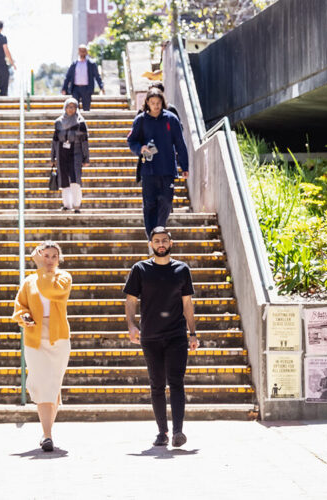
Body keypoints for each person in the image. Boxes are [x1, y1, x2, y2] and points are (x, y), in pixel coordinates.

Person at [124, 227, 199, 448]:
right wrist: (131, 325)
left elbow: (187, 303)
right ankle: (162, 432)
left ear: (171, 243)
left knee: (176, 382)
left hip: (176, 335)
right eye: (156, 241)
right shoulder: (140, 269)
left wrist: (192, 332)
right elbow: (130, 300)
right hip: (150, 336)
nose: (161, 244)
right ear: (151, 244)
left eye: (164, 240)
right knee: (157, 384)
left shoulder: (182, 269)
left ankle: (178, 431)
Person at [12, 241, 72, 453]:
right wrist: (24, 317)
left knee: (53, 384)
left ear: (59, 259)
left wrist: (39, 267)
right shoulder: (29, 281)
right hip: (35, 336)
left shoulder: (63, 278)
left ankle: (47, 432)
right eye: (45, 256)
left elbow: (51, 291)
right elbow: (20, 306)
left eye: (53, 256)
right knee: (40, 382)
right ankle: (47, 434)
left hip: (58, 338)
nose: (49, 260)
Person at [126, 88, 189, 238]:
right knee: (149, 205)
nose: (155, 106)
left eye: (158, 103)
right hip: (148, 170)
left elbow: (180, 143)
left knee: (166, 202)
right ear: (147, 102)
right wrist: (139, 148)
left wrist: (184, 166)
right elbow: (131, 140)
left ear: (162, 103)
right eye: (153, 103)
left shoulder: (171, 119)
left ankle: (159, 230)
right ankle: (151, 237)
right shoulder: (140, 120)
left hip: (167, 169)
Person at [51, 97, 89, 213]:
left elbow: (85, 142)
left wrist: (86, 157)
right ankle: (67, 204)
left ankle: (76, 205)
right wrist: (52, 157)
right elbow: (54, 141)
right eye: (68, 107)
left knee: (75, 179)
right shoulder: (58, 122)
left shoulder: (80, 123)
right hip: (61, 152)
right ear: (65, 107)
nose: (70, 109)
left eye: (73, 107)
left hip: (76, 152)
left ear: (76, 109)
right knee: (64, 180)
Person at [61, 45, 104, 111]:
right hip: (75, 89)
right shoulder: (74, 64)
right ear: (78, 52)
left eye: (84, 51)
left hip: (87, 89)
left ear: (86, 52)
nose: (82, 53)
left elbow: (97, 76)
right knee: (74, 108)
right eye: (81, 51)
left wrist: (101, 86)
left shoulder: (91, 64)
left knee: (86, 108)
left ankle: (85, 121)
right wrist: (64, 88)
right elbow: (68, 77)